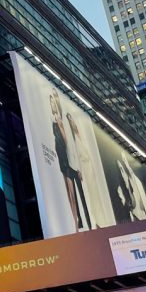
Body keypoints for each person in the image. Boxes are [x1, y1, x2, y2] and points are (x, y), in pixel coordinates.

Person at [49, 91, 82, 230]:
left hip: (66, 158)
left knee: (71, 192)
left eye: (53, 101)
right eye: (50, 101)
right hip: (61, 156)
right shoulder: (54, 118)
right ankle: (74, 221)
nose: (52, 104)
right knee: (68, 193)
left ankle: (76, 223)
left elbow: (67, 141)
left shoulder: (60, 119)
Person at [65, 112, 94, 229]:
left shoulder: (78, 136)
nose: (71, 122)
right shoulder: (70, 135)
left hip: (80, 169)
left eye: (71, 119)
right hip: (72, 167)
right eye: (69, 120)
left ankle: (88, 222)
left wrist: (79, 169)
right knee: (75, 197)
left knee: (83, 197)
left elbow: (83, 154)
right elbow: (71, 152)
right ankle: (81, 221)